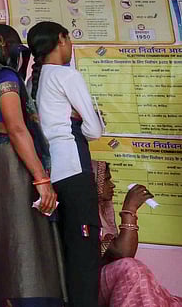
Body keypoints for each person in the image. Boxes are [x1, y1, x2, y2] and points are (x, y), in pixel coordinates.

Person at [0, 25, 63, 306]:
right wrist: (41, 178)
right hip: (13, 163)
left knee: (2, 234)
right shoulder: (4, 77)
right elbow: (17, 128)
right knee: (25, 234)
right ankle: (30, 299)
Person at [28, 21, 103, 307]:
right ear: (61, 40)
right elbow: (94, 130)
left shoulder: (32, 81)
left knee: (62, 248)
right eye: (69, 39)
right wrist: (78, 121)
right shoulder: (66, 75)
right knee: (84, 253)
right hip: (73, 168)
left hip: (48, 174)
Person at [92, 161, 181, 306]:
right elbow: (123, 253)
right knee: (131, 268)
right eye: (107, 179)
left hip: (104, 281)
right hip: (89, 284)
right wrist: (129, 208)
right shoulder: (83, 214)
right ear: (93, 184)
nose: (112, 185)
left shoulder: (102, 213)